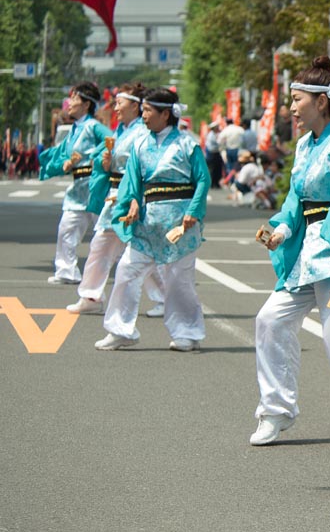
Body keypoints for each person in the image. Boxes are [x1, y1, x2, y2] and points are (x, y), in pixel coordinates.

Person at [251, 56, 330, 446]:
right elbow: (295, 200)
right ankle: (276, 410)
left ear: (322, 102)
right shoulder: (304, 145)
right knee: (270, 320)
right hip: (307, 248)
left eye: (297, 99)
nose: (291, 108)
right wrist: (281, 231)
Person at [94, 88, 211, 352]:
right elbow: (133, 181)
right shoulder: (139, 144)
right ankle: (119, 329)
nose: (143, 116)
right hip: (147, 223)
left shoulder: (187, 143)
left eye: (148, 111)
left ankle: (187, 333)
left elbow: (203, 179)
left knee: (179, 280)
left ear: (165, 114)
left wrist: (194, 210)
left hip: (179, 224)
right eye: (143, 109)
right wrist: (133, 201)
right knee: (126, 270)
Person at [66, 84, 165, 317]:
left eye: (120, 103)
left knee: (140, 250)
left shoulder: (144, 132)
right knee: (105, 244)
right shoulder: (121, 130)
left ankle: (166, 298)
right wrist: (106, 163)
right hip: (116, 194)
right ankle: (91, 295)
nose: (115, 108)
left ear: (135, 105)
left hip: (132, 196)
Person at [39, 82, 113, 285]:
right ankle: (66, 270)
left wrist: (94, 157)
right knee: (67, 228)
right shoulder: (74, 129)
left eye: (74, 99)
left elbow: (113, 142)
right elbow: (63, 153)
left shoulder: (94, 126)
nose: (69, 103)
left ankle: (127, 269)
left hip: (95, 185)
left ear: (87, 104)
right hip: (78, 187)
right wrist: (64, 163)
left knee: (108, 232)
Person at [204, 120, 223, 188]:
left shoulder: (215, 134)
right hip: (212, 154)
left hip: (216, 153)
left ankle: (216, 182)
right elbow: (217, 143)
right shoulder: (211, 135)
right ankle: (213, 183)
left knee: (218, 169)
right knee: (212, 169)